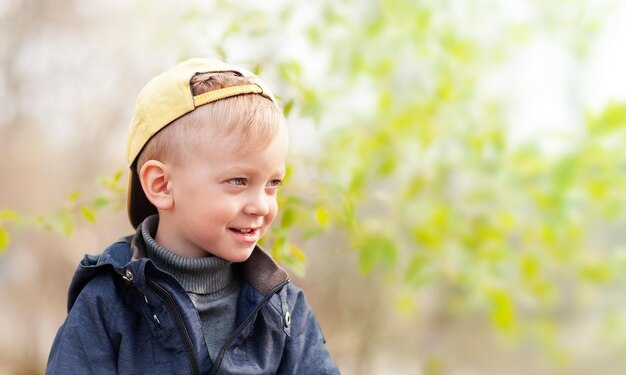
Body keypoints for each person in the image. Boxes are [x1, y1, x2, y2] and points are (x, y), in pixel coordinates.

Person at [46, 58, 339, 374]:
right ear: (162, 185)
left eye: (272, 184)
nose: (262, 206)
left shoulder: (282, 311)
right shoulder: (107, 305)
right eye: (238, 181)